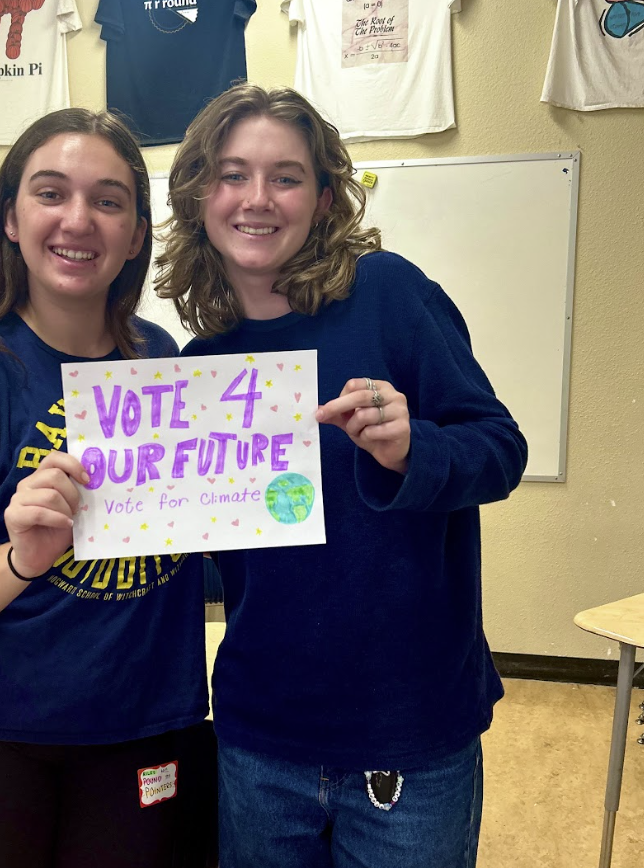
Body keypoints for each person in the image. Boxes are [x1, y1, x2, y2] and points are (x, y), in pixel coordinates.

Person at [155, 84, 528, 868]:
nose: (257, 199)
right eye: (232, 174)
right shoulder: (199, 371)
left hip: (410, 735)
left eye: (285, 177)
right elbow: (215, 563)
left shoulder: (387, 294)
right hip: (262, 735)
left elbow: (500, 449)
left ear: (324, 200)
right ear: (198, 194)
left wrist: (412, 448)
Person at [0, 108, 215, 868]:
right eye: (51, 193)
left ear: (136, 234)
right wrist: (20, 558)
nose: (79, 220)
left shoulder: (160, 360)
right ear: (10, 217)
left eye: (108, 200)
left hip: (142, 727)